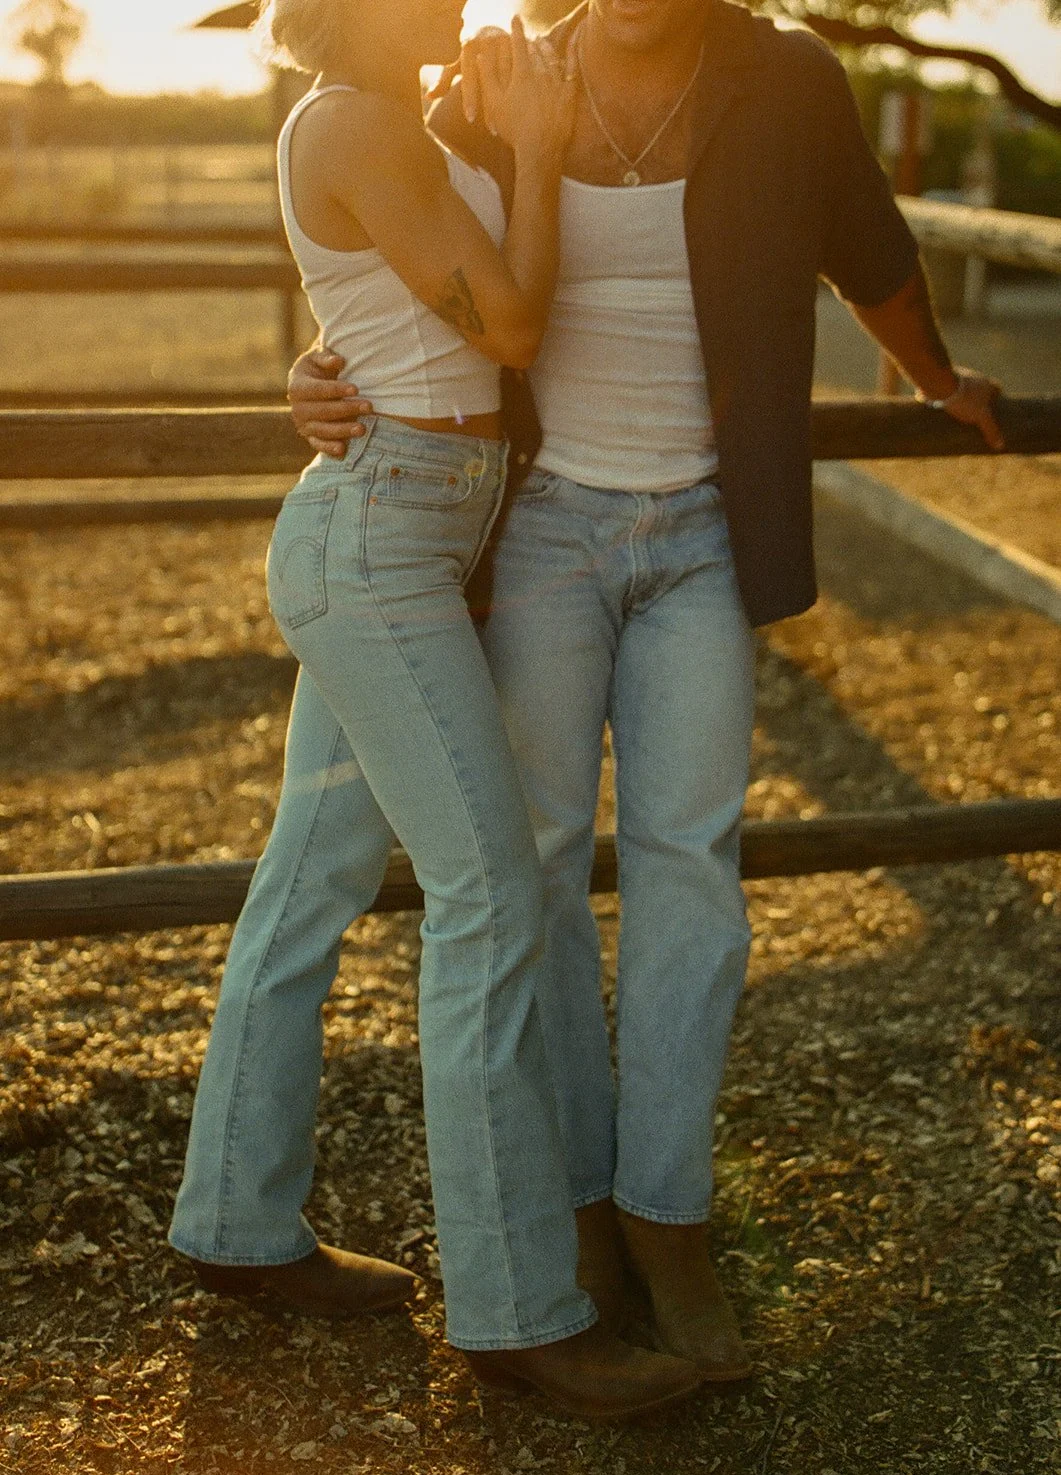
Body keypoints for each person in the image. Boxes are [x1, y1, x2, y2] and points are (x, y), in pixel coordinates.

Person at [284, 0, 1006, 1379]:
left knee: (692, 864)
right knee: (541, 864)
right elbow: (383, 266)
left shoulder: (789, 79)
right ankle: (573, 1207)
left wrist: (937, 378)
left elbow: (872, 253)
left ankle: (668, 1213)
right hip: (541, 534)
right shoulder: (499, 79)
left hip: (707, 539)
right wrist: (311, 377)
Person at [170, 0, 705, 1423]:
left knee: (310, 881)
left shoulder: (396, 121)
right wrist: (534, 150)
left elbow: (393, 309)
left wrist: (318, 362)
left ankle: (235, 1222)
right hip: (385, 540)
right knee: (487, 902)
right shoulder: (350, 122)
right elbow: (515, 321)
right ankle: (519, 1308)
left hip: (418, 530)